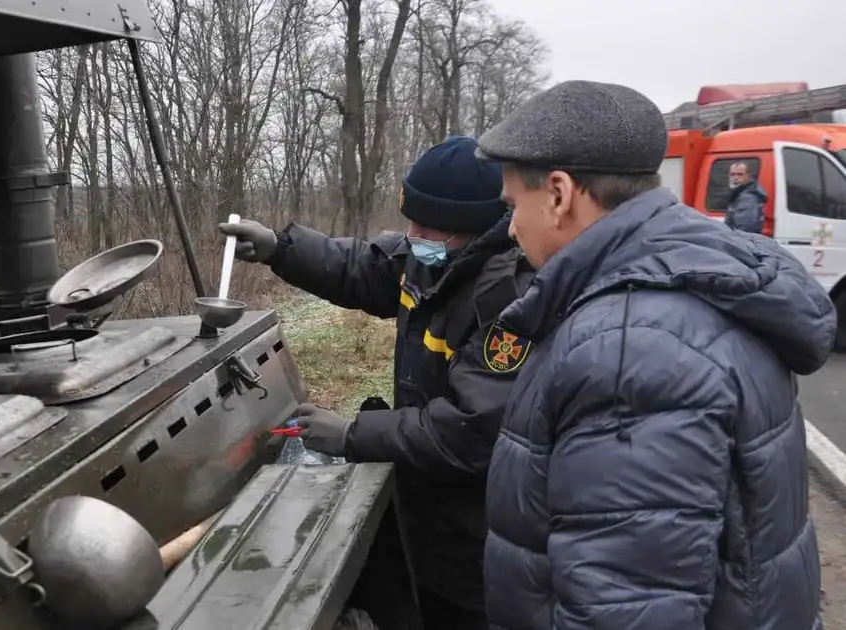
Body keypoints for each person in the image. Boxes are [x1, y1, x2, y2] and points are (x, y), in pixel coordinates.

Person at [476, 79, 832, 629]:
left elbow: (624, 610)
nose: (511, 226)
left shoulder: (628, 351)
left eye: (512, 205)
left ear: (558, 193)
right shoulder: (698, 279)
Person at [219, 136, 535, 629]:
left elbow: (469, 432)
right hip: (425, 498)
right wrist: (279, 248)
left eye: (425, 225)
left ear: (470, 229)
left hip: (478, 527)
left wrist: (352, 436)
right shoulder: (432, 258)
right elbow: (359, 266)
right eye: (409, 220)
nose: (412, 235)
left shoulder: (505, 302)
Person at [724, 160, 768, 233]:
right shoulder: (739, 194)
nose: (735, 178)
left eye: (740, 174)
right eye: (732, 174)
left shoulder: (748, 198)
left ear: (748, 176)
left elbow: (745, 229)